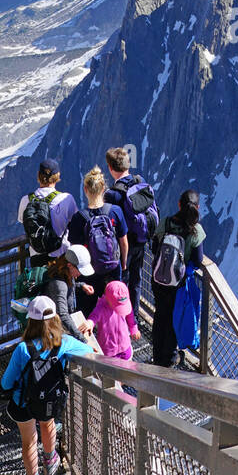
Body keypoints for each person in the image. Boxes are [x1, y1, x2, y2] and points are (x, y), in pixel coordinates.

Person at [0, 296, 94, 475]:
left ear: (30, 321)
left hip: (22, 402)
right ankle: (50, 461)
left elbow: (7, 382)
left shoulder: (22, 348)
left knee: (29, 441)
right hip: (49, 398)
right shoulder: (64, 342)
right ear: (56, 319)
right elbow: (88, 350)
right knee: (47, 424)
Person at [151, 189, 206, 368]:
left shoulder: (166, 222)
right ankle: (169, 358)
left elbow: (154, 247)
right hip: (179, 284)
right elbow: (197, 260)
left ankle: (157, 355)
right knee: (175, 318)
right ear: (197, 207)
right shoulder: (196, 230)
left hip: (159, 279)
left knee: (160, 316)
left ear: (179, 204)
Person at [104, 148, 158, 314]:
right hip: (141, 241)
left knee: (121, 283)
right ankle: (133, 317)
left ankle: (120, 318)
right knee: (136, 281)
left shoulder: (112, 194)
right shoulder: (139, 180)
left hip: (123, 245)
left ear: (111, 168)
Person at [68, 167, 128, 304]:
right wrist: (123, 263)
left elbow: (74, 250)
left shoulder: (78, 218)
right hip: (112, 267)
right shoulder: (115, 211)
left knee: (88, 309)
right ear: (103, 189)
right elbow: (123, 242)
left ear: (85, 190)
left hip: (88, 271)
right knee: (114, 306)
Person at [17, 158, 77, 267]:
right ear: (57, 176)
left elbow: (24, 221)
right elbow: (75, 222)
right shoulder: (66, 199)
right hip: (60, 256)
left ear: (38, 175)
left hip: (36, 258)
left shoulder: (26, 200)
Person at [40, 245, 97, 340]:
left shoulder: (64, 272)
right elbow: (63, 315)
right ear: (69, 265)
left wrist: (81, 285)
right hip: (56, 329)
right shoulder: (59, 284)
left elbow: (69, 285)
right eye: (79, 270)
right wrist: (81, 338)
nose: (81, 274)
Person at [91, 279, 141, 363]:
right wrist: (89, 322)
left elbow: (130, 315)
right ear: (108, 299)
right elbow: (94, 316)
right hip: (108, 351)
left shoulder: (124, 301)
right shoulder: (101, 306)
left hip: (125, 347)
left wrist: (134, 328)